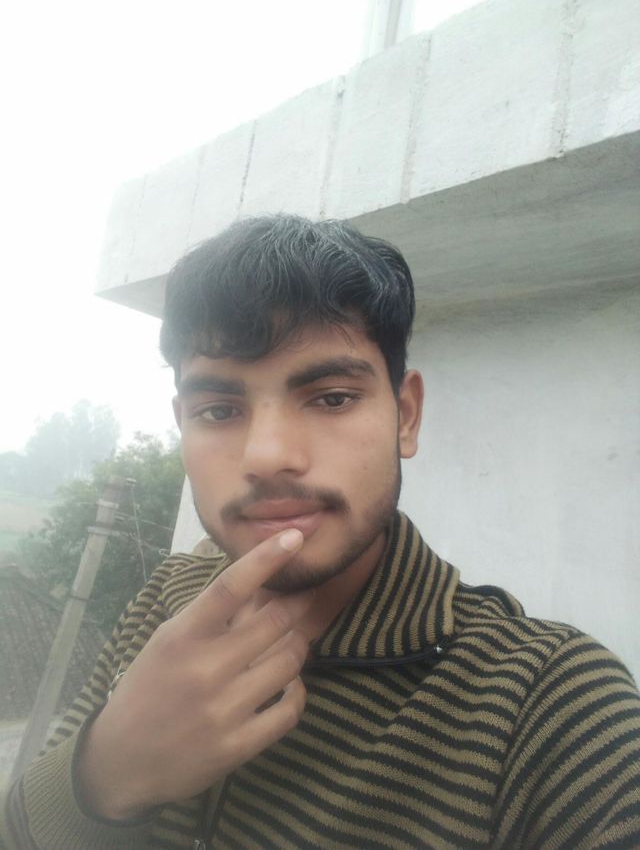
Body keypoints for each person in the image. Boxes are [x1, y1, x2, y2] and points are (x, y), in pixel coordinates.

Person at [3, 215, 639, 849]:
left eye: (332, 397)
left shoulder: (549, 703)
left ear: (406, 416)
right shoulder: (167, 603)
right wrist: (102, 778)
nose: (267, 455)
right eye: (218, 410)